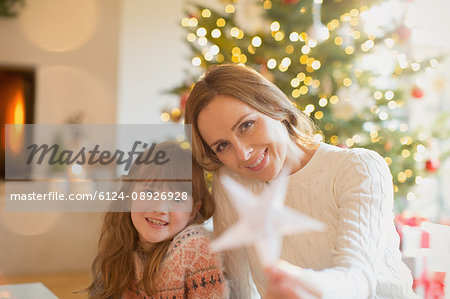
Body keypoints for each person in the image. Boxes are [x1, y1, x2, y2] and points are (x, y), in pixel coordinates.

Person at [184, 64, 419, 299]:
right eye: (222, 145)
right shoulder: (231, 182)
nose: (243, 153)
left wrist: (302, 282)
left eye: (246, 125)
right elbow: (237, 290)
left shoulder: (357, 168)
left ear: (274, 105)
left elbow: (357, 281)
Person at [86, 142, 229, 298]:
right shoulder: (123, 245)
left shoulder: (195, 249)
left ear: (193, 211)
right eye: (149, 193)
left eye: (176, 198)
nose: (160, 208)